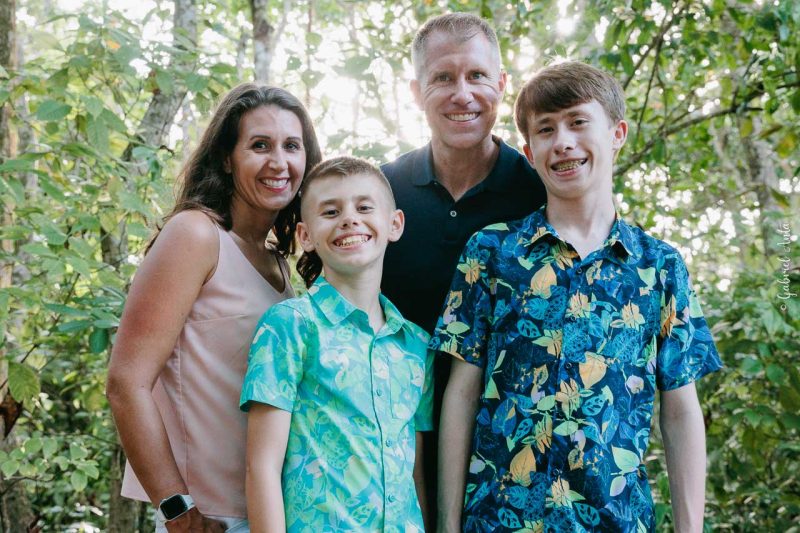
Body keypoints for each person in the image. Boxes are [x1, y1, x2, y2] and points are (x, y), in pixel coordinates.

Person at [433, 60, 722, 532]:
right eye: (546, 130)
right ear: (529, 152)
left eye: (578, 122)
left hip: (615, 521)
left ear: (617, 133)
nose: (563, 141)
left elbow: (681, 410)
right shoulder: (490, 252)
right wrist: (447, 526)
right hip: (499, 521)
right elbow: (461, 395)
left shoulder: (659, 266)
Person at [106, 84, 321, 532]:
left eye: (292, 146)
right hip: (209, 516)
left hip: (269, 513)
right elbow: (127, 382)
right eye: (259, 145)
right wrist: (178, 512)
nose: (279, 162)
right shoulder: (196, 235)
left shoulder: (278, 262)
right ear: (227, 158)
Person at [380, 12, 547, 515]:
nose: (463, 93)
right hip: (394, 457)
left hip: (514, 462)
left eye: (476, 76)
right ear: (415, 91)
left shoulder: (541, 190)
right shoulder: (381, 192)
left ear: (501, 84)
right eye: (443, 78)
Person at [240, 156, 434, 532]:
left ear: (394, 224)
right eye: (330, 211)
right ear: (306, 236)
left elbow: (414, 473)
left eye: (364, 207)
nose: (349, 219)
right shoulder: (292, 326)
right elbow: (261, 466)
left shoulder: (415, 345)